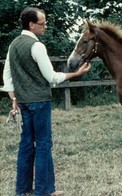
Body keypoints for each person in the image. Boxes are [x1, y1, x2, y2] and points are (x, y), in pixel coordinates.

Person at [0, 7, 91, 196]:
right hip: (40, 102)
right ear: (32, 25)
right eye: (43, 23)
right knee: (43, 145)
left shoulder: (14, 45)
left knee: (25, 145)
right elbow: (52, 77)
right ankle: (44, 191)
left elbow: (7, 75)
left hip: (23, 102)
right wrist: (76, 73)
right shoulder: (37, 46)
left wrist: (13, 98)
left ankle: (23, 190)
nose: (46, 26)